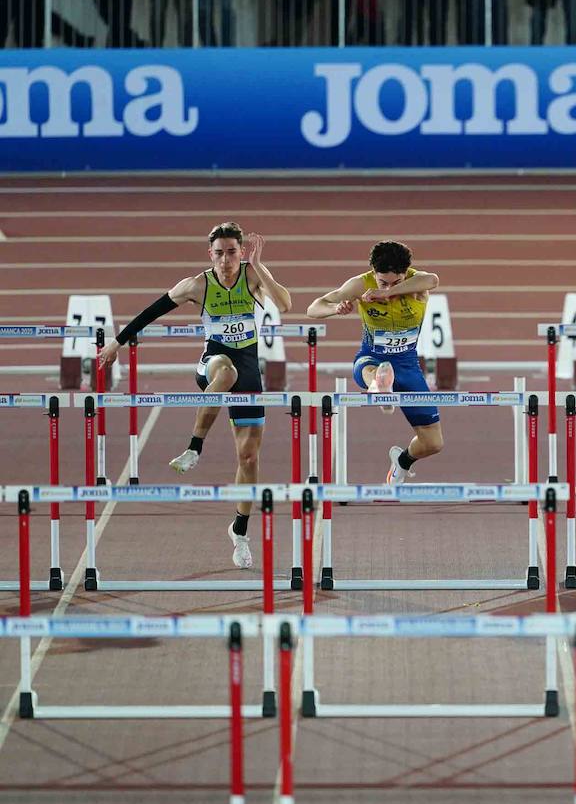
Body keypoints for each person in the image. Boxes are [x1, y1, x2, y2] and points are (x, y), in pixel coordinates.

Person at [94, 223, 292, 570]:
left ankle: (240, 531)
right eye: (220, 253)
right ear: (210, 254)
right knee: (225, 372)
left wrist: (258, 264)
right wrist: (117, 342)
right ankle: (194, 447)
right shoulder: (197, 285)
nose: (227, 259)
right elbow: (151, 312)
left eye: (233, 252)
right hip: (213, 362)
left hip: (250, 368)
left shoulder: (252, 275)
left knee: (248, 458)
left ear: (241, 251)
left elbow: (286, 304)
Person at [306, 242, 444, 484]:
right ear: (372, 271)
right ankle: (379, 385)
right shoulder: (360, 284)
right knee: (373, 370)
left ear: (407, 273)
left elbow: (433, 279)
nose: (389, 286)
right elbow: (313, 308)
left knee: (433, 443)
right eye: (382, 282)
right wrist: (336, 308)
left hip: (408, 366)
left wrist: (385, 293)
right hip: (371, 358)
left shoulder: (418, 283)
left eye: (396, 282)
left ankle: (402, 461)